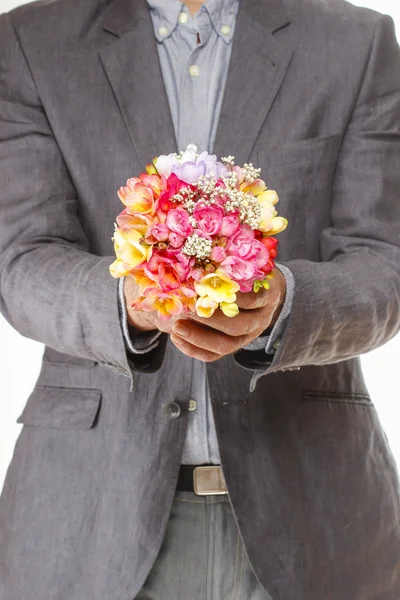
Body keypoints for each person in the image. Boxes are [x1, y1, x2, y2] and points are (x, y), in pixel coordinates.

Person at [0, 0, 400, 598]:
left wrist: (286, 303)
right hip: (86, 517)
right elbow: (22, 261)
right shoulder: (29, 41)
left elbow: (384, 265)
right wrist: (130, 303)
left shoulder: (358, 41)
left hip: (319, 516)